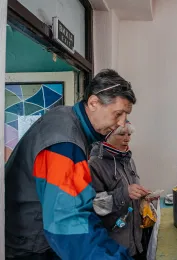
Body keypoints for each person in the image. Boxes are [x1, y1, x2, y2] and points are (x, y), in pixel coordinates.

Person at [5, 69, 135, 259]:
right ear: (93, 103)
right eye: (118, 114)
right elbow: (68, 224)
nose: (122, 123)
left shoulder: (66, 117)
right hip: (32, 248)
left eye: (126, 115)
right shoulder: (64, 143)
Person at [89, 122, 152, 260]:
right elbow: (96, 205)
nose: (127, 138)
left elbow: (131, 192)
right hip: (114, 246)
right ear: (107, 136)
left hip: (136, 241)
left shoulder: (128, 160)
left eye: (129, 134)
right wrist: (124, 193)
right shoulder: (94, 164)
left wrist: (142, 196)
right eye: (121, 134)